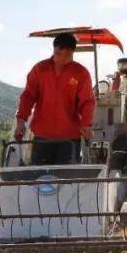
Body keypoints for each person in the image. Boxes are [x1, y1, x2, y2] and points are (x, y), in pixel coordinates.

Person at [15, 32, 96, 165]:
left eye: (62, 55)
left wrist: (86, 124)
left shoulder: (81, 73)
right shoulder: (39, 70)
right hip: (42, 136)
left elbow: (87, 102)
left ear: (71, 52)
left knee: (68, 183)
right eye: (56, 54)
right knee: (39, 181)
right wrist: (21, 121)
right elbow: (28, 96)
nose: (57, 59)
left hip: (69, 139)